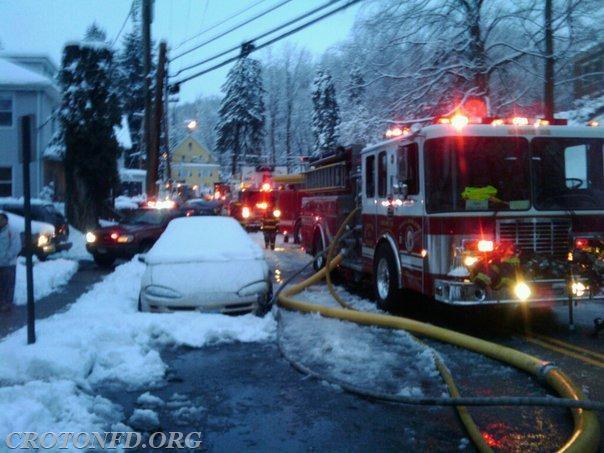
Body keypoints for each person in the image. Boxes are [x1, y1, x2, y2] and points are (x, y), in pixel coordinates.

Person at [0, 212, 18, 312]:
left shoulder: (12, 231)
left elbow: (16, 246)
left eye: (2, 219)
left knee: (8, 284)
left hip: (8, 264)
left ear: (6, 221)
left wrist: (7, 257)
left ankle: (7, 303)